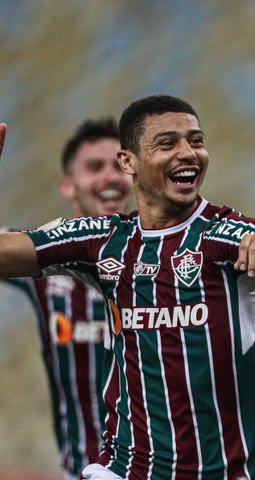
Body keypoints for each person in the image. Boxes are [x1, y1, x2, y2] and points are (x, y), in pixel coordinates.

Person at [0, 94, 255, 480]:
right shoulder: (103, 240)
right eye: (168, 143)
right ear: (128, 162)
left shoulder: (224, 233)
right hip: (123, 470)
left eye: (197, 141)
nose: (188, 153)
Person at [0, 118, 131, 480]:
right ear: (68, 186)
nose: (110, 177)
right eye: (94, 167)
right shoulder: (41, 252)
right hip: (82, 472)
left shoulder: (165, 250)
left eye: (120, 165)